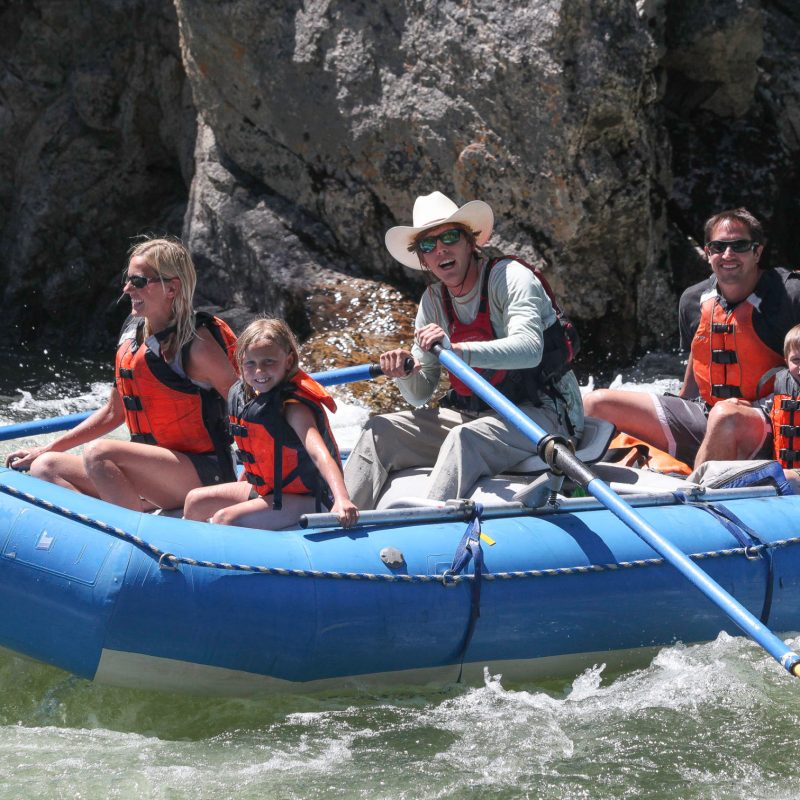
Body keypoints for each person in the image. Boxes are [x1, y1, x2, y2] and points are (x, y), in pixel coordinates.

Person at [343, 190, 584, 509]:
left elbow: (529, 350)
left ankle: (427, 531)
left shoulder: (511, 277)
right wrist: (402, 373)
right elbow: (420, 393)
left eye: (450, 237)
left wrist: (457, 351)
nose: (441, 249)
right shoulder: (432, 302)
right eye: (428, 245)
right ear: (423, 259)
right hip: (476, 413)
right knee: (380, 429)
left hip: (545, 414)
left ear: (470, 242)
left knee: (465, 438)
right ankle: (339, 521)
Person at [4, 237, 239, 511]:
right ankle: (111, 527)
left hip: (206, 474)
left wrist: (268, 477)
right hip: (157, 474)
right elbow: (114, 412)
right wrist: (47, 448)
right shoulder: (133, 336)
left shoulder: (197, 347)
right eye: (127, 280)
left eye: (138, 282)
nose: (127, 289)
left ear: (172, 288)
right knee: (46, 466)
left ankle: (135, 538)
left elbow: (248, 408)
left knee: (99, 452)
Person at [584, 207, 800, 467]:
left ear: (757, 251)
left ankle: (694, 493)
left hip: (775, 422)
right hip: (710, 413)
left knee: (724, 416)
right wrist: (684, 403)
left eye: (739, 245)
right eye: (719, 246)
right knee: (598, 403)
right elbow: (699, 361)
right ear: (708, 253)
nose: (728, 254)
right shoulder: (692, 300)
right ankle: (587, 488)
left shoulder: (790, 294)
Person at [183, 318, 359, 529]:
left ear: (289, 360)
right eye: (251, 363)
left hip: (307, 498)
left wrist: (341, 498)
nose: (259, 371)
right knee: (195, 500)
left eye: (269, 362)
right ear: (240, 361)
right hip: (267, 490)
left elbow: (320, 454)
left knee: (225, 519)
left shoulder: (293, 407)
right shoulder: (246, 396)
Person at [760, 323, 800, 474]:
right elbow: (763, 408)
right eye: (796, 360)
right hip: (783, 471)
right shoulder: (779, 387)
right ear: (785, 360)